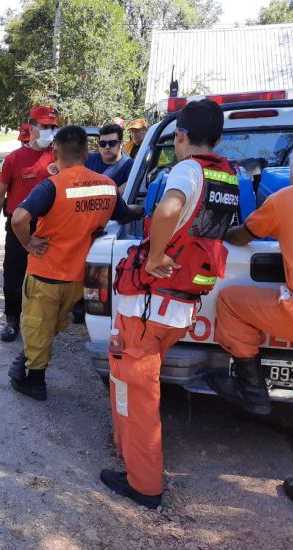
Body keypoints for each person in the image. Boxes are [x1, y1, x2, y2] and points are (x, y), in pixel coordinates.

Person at [103, 99, 239, 509]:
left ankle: (143, 484)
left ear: (180, 136)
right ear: (217, 139)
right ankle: (126, 449)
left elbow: (168, 209)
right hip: (180, 305)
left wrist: (157, 254)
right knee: (134, 382)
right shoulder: (226, 176)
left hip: (149, 307)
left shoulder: (186, 170)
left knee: (137, 390)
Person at [206, 138, 293, 525]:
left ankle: (252, 388)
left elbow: (243, 236)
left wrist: (212, 228)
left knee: (232, 301)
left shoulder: (289, 197)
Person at [9, 126, 141, 401]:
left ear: (55, 151)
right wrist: (148, 206)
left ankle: (34, 381)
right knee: (53, 323)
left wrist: (28, 243)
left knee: (36, 324)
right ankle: (28, 361)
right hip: (81, 277)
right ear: (86, 152)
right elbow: (126, 215)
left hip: (46, 273)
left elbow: (19, 218)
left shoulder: (51, 186)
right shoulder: (106, 185)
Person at [0, 105, 59, 342]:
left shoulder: (58, 157)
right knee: (14, 276)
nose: (49, 131)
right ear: (33, 127)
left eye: (53, 127)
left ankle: (42, 323)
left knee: (46, 279)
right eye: (45, 126)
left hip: (49, 226)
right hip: (18, 226)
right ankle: (11, 320)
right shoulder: (14, 159)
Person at [85, 123, 134, 194]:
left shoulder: (130, 166)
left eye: (112, 143)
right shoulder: (88, 159)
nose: (107, 147)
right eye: (103, 143)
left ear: (121, 144)